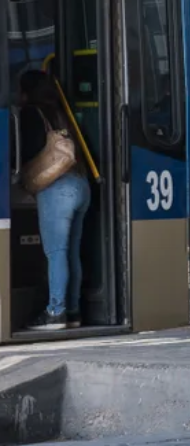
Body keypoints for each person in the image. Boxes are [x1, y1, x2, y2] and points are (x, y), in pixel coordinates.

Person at [19, 70, 91, 331]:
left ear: (25, 92)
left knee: (56, 253)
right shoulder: (63, 112)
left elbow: (29, 149)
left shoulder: (31, 113)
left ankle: (55, 312)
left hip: (57, 188)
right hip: (80, 185)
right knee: (72, 252)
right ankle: (72, 311)